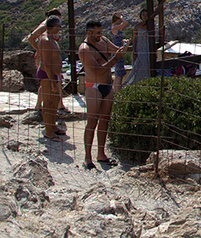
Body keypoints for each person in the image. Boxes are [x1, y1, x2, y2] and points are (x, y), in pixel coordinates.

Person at [77, 21, 124, 169]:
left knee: (105, 120)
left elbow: (117, 50)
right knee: (92, 121)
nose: (100, 35)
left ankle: (101, 154)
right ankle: (87, 157)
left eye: (101, 32)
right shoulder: (84, 50)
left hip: (107, 85)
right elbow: (97, 70)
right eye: (97, 33)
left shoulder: (103, 40)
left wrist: (126, 45)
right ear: (89, 33)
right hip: (93, 86)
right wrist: (115, 59)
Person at [22, 15, 66, 140]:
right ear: (55, 26)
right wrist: (52, 81)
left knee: (54, 101)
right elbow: (46, 62)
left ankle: (53, 126)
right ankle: (48, 131)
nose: (59, 29)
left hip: (53, 74)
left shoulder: (50, 38)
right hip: (47, 74)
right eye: (59, 27)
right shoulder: (45, 40)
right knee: (48, 103)